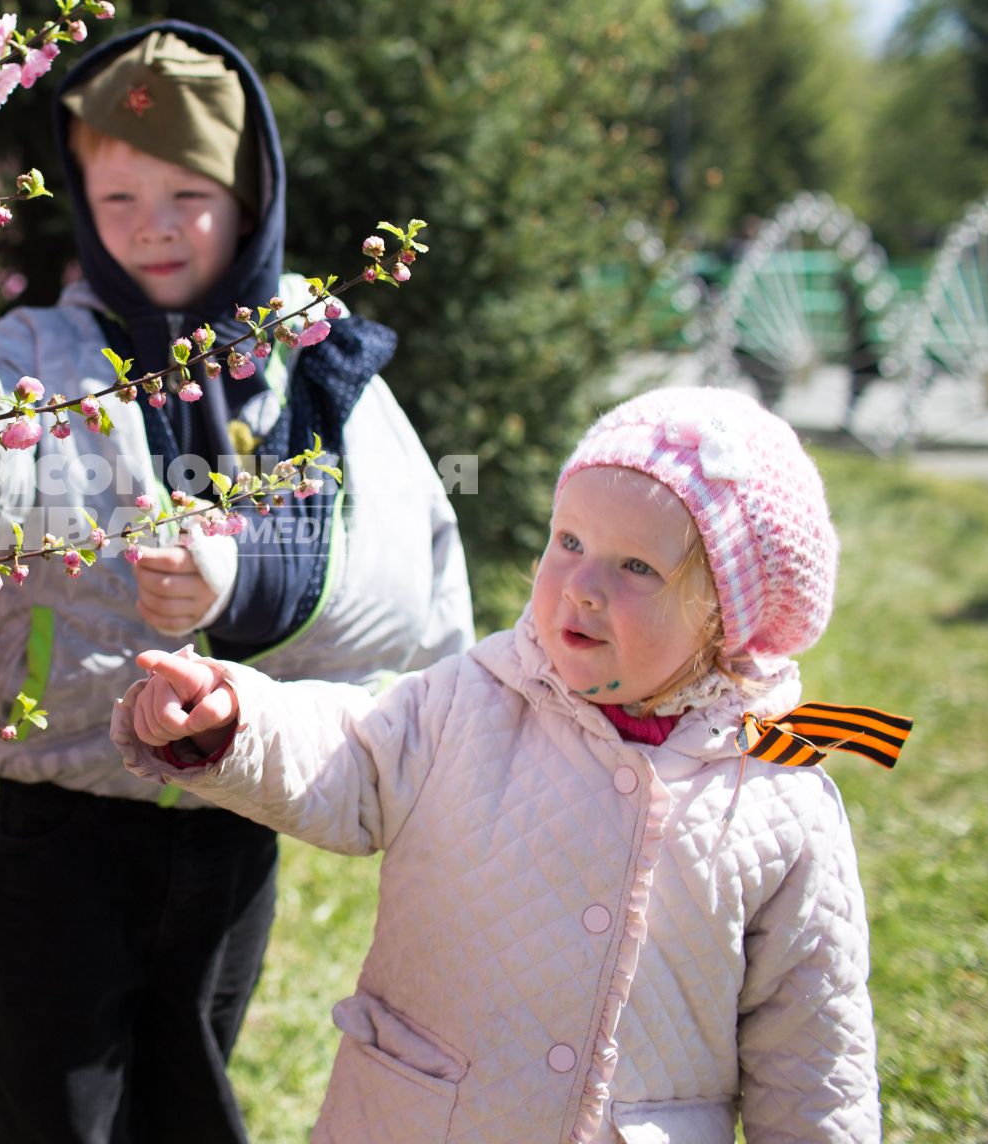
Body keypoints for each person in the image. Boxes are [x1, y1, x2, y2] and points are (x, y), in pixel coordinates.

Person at [0, 20, 474, 1143]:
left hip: (228, 803)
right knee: (51, 1099)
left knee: (189, 1089)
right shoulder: (43, 350)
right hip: (63, 807)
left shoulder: (307, 361)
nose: (150, 225)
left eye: (186, 193)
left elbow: (397, 563)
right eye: (117, 200)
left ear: (249, 197)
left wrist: (238, 577)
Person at [115, 385, 913, 1143]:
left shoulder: (778, 799)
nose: (583, 586)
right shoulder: (475, 699)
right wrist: (236, 719)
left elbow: (814, 1051)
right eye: (568, 542)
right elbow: (352, 749)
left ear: (726, 617)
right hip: (421, 1117)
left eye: (637, 567)